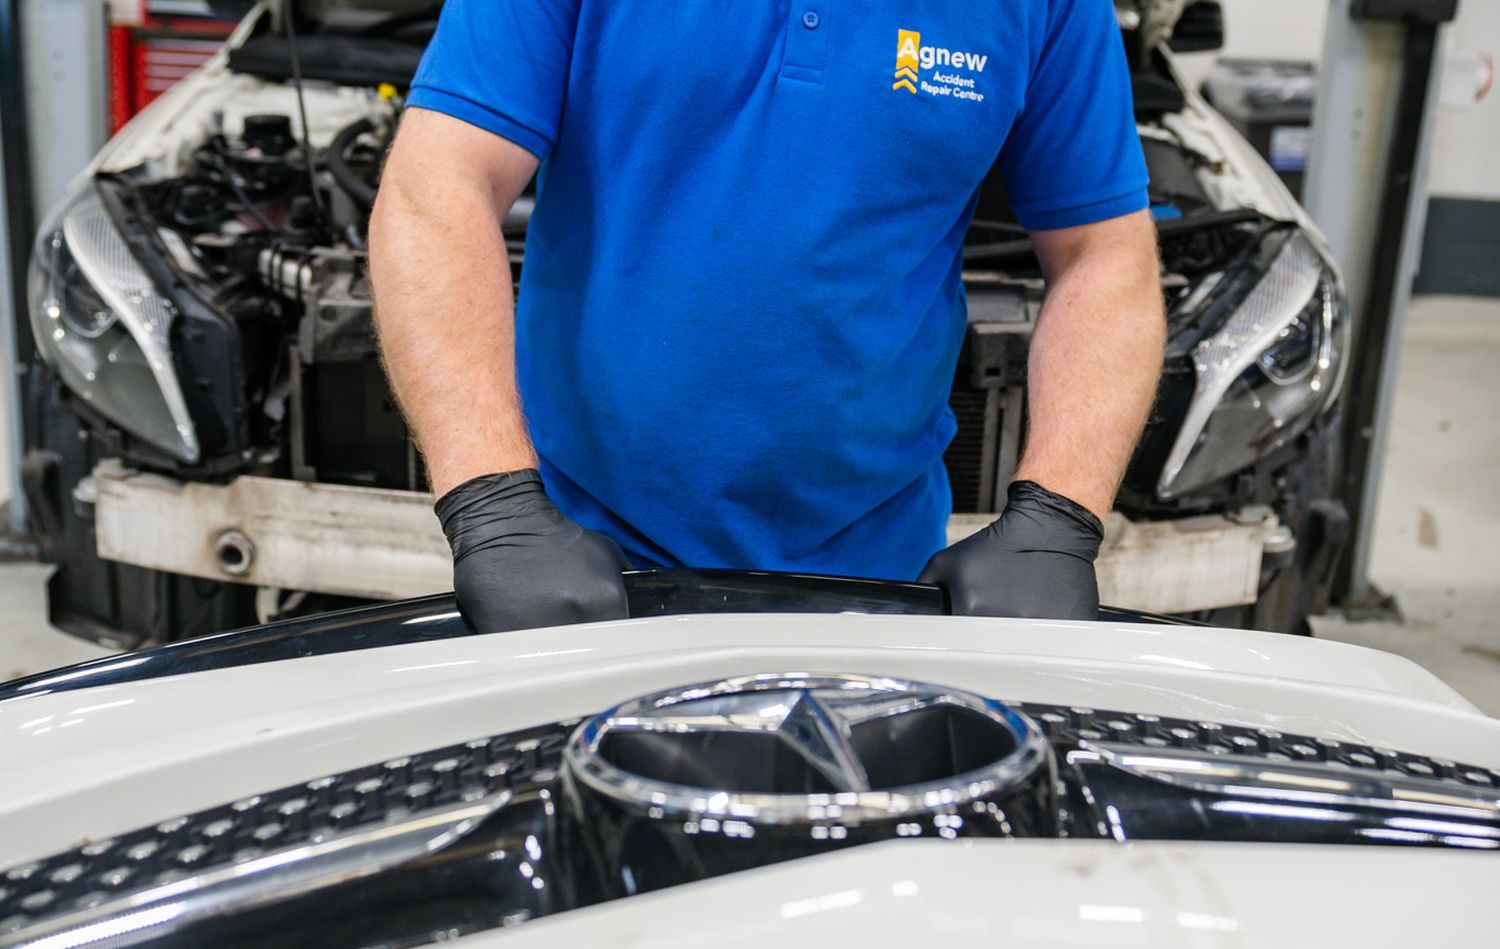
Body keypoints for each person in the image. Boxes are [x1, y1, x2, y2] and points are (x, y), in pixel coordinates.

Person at [370, 0, 1165, 632]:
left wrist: (1057, 520)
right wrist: (494, 506)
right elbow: (438, 184)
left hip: (886, 584)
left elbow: (1103, 253)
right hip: (575, 564)